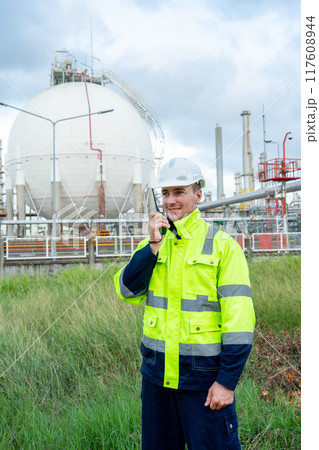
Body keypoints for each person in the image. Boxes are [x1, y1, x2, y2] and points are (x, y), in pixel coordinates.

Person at [114, 157, 255, 450]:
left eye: (179, 192)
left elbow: (239, 321)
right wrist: (152, 248)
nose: (171, 201)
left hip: (204, 381)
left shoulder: (222, 245)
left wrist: (227, 382)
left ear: (198, 194)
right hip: (157, 378)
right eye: (165, 193)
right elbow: (127, 291)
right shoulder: (150, 245)